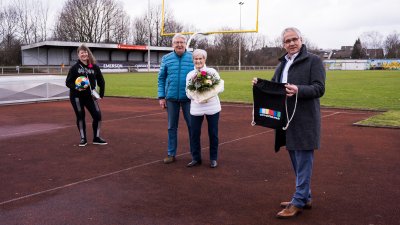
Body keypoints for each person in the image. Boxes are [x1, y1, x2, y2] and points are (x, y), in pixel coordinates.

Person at [252, 27, 325, 218]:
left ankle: (299, 201)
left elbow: (319, 88)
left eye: (294, 39)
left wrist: (298, 89)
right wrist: (259, 84)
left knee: (303, 161)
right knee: (295, 159)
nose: (291, 43)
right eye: (287, 41)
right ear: (283, 44)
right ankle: (305, 196)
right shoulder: (282, 64)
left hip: (305, 119)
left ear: (301, 39)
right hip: (286, 119)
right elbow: (275, 87)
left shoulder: (314, 61)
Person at [158, 33, 194, 164]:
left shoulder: (192, 58)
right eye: (176, 42)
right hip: (171, 98)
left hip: (189, 98)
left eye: (181, 42)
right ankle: (171, 153)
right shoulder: (166, 58)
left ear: (185, 44)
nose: (179, 45)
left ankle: (194, 154)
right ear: (173, 44)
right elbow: (161, 78)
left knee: (192, 126)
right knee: (171, 127)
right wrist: (161, 97)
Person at [185, 49, 224, 168]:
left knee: (213, 133)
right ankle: (196, 158)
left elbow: (220, 87)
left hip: (212, 107)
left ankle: (213, 158)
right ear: (193, 60)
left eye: (200, 58)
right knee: (194, 134)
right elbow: (187, 92)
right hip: (196, 108)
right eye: (196, 59)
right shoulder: (190, 75)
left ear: (204, 59)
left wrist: (208, 93)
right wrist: (196, 96)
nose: (198, 61)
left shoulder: (212, 72)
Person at [66, 44, 107, 147]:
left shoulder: (94, 67)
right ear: (78, 55)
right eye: (81, 52)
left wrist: (101, 94)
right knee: (80, 116)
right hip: (76, 97)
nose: (84, 54)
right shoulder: (75, 68)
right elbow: (68, 82)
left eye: (85, 52)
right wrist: (76, 87)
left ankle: (96, 138)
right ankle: (83, 138)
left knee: (97, 116)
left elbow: (101, 81)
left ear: (88, 54)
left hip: (90, 96)